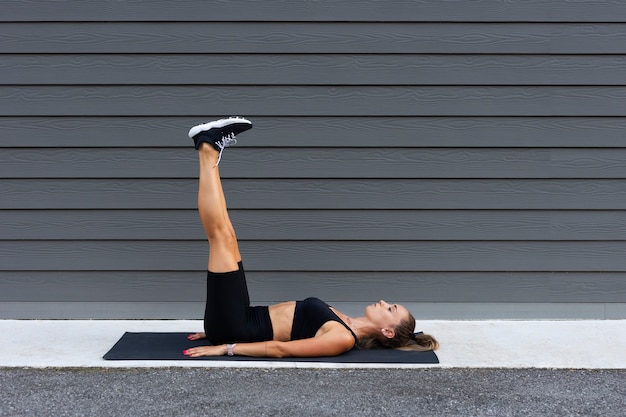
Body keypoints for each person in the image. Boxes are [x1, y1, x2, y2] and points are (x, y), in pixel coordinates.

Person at [183, 117, 439, 358]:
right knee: (226, 235)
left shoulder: (344, 338)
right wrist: (219, 323)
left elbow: (282, 350)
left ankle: (208, 148)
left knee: (221, 237)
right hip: (238, 319)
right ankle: (209, 146)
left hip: (236, 328)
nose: (384, 302)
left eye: (391, 309)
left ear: (388, 332)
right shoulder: (344, 319)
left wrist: (227, 347)